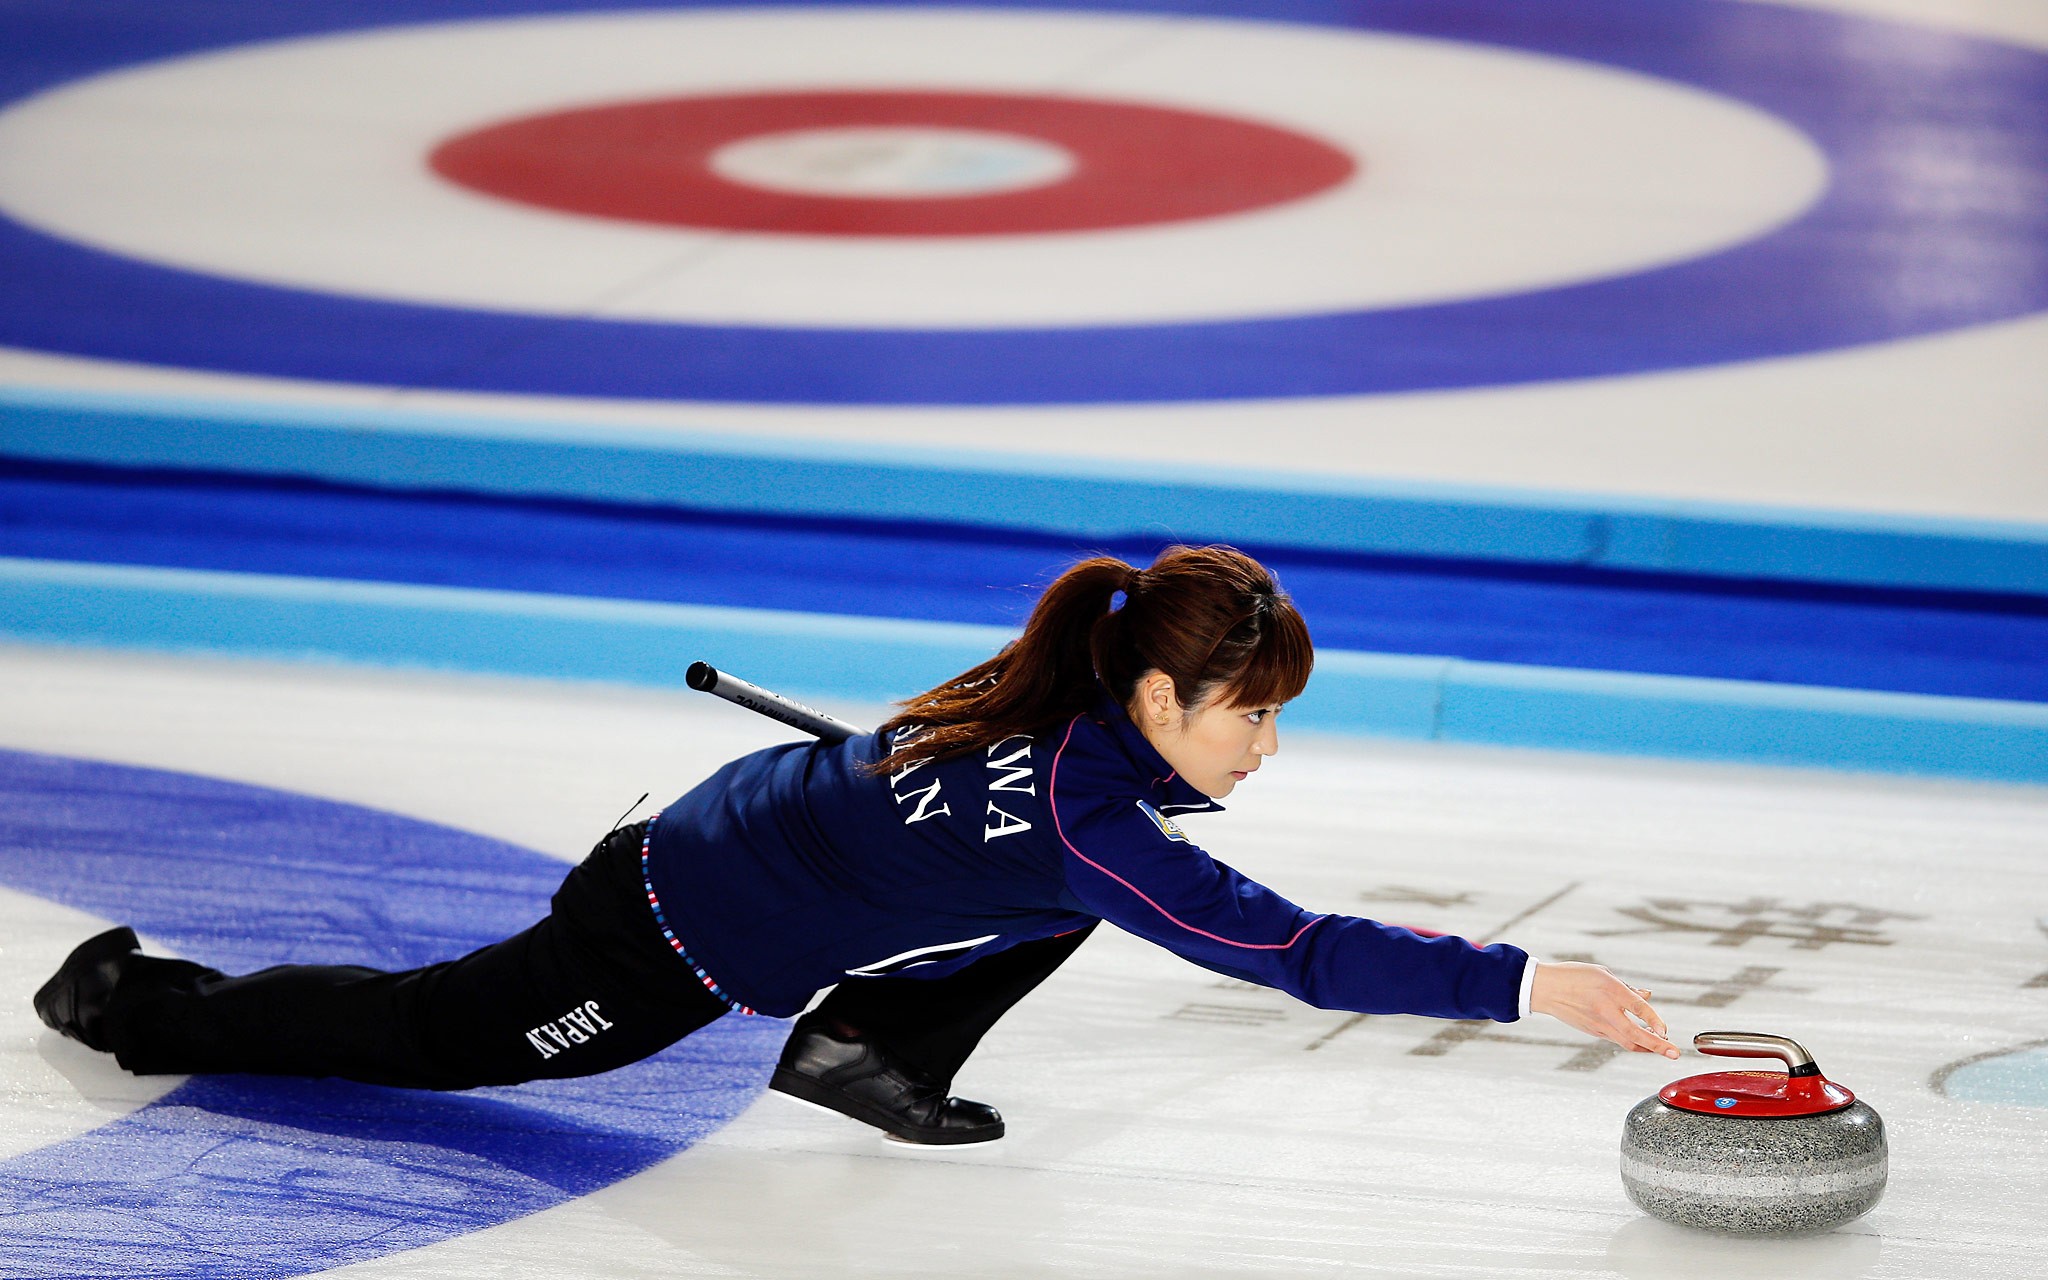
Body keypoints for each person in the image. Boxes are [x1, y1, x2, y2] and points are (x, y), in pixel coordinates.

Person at [34, 545, 1677, 1147]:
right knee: (434, 1036)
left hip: (710, 830)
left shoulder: (1068, 708)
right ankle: (137, 1004)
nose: (1268, 745)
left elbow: (1034, 851)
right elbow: (1296, 952)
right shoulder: (1092, 814)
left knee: (1057, 900)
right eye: (1250, 713)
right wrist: (1530, 981)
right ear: (1159, 695)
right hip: (662, 928)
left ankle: (867, 1053)